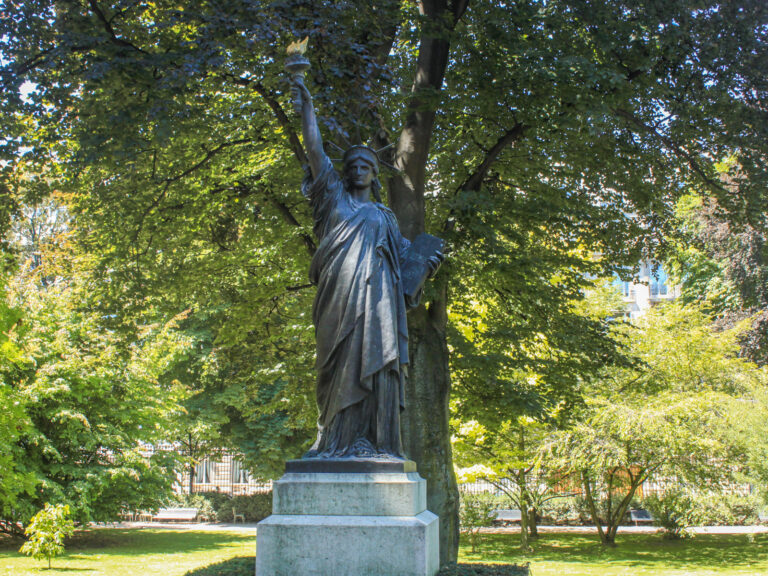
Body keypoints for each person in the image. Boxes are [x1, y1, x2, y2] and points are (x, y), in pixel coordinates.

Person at [291, 76, 442, 459]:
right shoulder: (332, 199)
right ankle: (332, 439)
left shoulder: (385, 216)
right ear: (344, 172)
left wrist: (426, 264)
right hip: (338, 302)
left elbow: (406, 262)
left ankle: (375, 442)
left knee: (378, 368)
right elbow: (314, 149)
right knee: (334, 365)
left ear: (375, 174)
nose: (359, 169)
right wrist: (306, 105)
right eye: (353, 165)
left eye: (366, 165)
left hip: (378, 307)